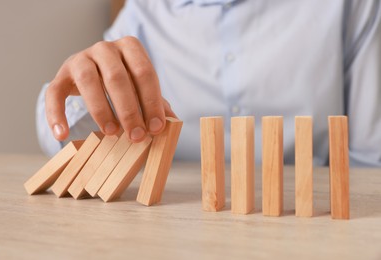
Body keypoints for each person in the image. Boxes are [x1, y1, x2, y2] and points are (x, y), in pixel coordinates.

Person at [36, 0, 381, 167]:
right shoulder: (144, 12)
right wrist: (78, 94)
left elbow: (372, 160)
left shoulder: (352, 6)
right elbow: (69, 140)